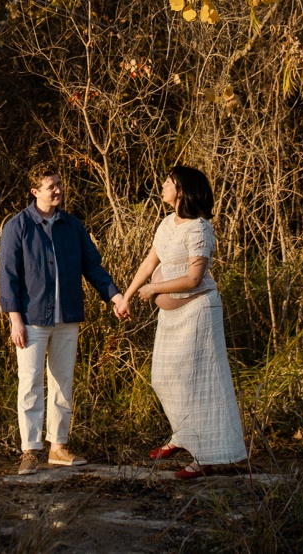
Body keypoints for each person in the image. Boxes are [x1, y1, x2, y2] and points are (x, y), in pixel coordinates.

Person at [0, 163, 131, 475]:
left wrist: (115, 296)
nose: (58, 190)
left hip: (67, 317)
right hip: (31, 319)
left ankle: (58, 447)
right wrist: (15, 320)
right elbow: (8, 276)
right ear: (35, 191)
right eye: (50, 186)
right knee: (30, 383)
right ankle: (30, 450)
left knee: (63, 382)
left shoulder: (72, 226)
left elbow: (92, 266)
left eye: (59, 184)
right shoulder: (18, 227)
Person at [121, 165, 247, 479]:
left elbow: (193, 278)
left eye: (168, 182)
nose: (163, 185)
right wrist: (128, 295)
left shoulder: (200, 229)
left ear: (182, 190)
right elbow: (150, 261)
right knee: (163, 378)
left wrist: (155, 288)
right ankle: (181, 435)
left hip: (198, 312)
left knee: (199, 383)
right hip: (171, 316)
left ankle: (204, 457)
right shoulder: (167, 223)